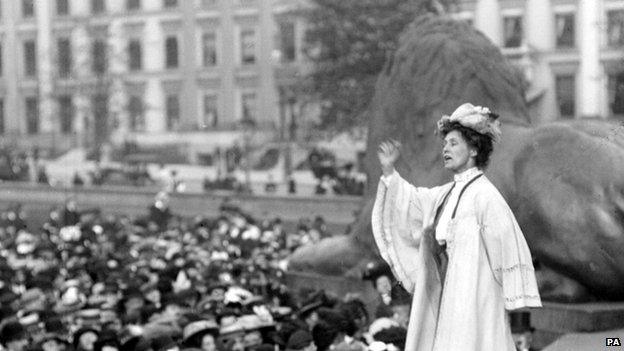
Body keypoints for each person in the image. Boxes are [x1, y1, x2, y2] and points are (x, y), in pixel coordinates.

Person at [372, 103, 541, 350]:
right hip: (449, 295)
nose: (445, 149)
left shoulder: (486, 196)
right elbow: (413, 202)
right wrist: (389, 172)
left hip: (476, 299)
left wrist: (511, 295)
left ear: (473, 149)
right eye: (445, 144)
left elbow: (507, 245)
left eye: (453, 143)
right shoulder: (447, 193)